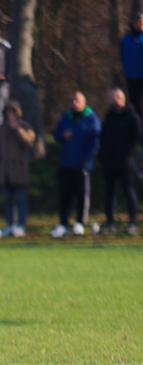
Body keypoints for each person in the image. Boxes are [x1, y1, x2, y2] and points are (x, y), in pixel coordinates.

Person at [50, 91, 101, 238]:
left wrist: (87, 159)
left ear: (83, 102)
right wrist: (62, 136)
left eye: (76, 100)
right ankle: (63, 223)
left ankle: (80, 222)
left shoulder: (91, 118)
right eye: (71, 100)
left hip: (82, 165)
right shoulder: (66, 117)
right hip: (66, 163)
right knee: (64, 195)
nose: (73, 103)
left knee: (81, 195)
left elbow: (95, 141)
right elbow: (57, 135)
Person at [99, 87, 141, 236]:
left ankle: (132, 223)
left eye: (111, 98)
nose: (108, 101)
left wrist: (127, 154)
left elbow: (137, 137)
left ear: (119, 98)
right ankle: (110, 223)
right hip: (109, 162)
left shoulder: (131, 116)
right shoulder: (109, 116)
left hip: (125, 162)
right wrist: (102, 156)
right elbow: (103, 137)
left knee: (128, 191)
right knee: (109, 193)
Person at [0, 100, 35, 238]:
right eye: (8, 113)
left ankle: (21, 225)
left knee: (21, 199)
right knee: (8, 199)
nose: (10, 116)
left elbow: (29, 142)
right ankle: (10, 224)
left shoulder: (24, 126)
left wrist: (17, 129)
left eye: (12, 113)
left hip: (19, 172)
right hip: (5, 172)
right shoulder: (1, 129)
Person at [121, 13, 143, 117]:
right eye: (138, 22)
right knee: (134, 106)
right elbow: (122, 56)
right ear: (133, 23)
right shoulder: (126, 39)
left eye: (142, 23)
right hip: (131, 77)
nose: (140, 25)